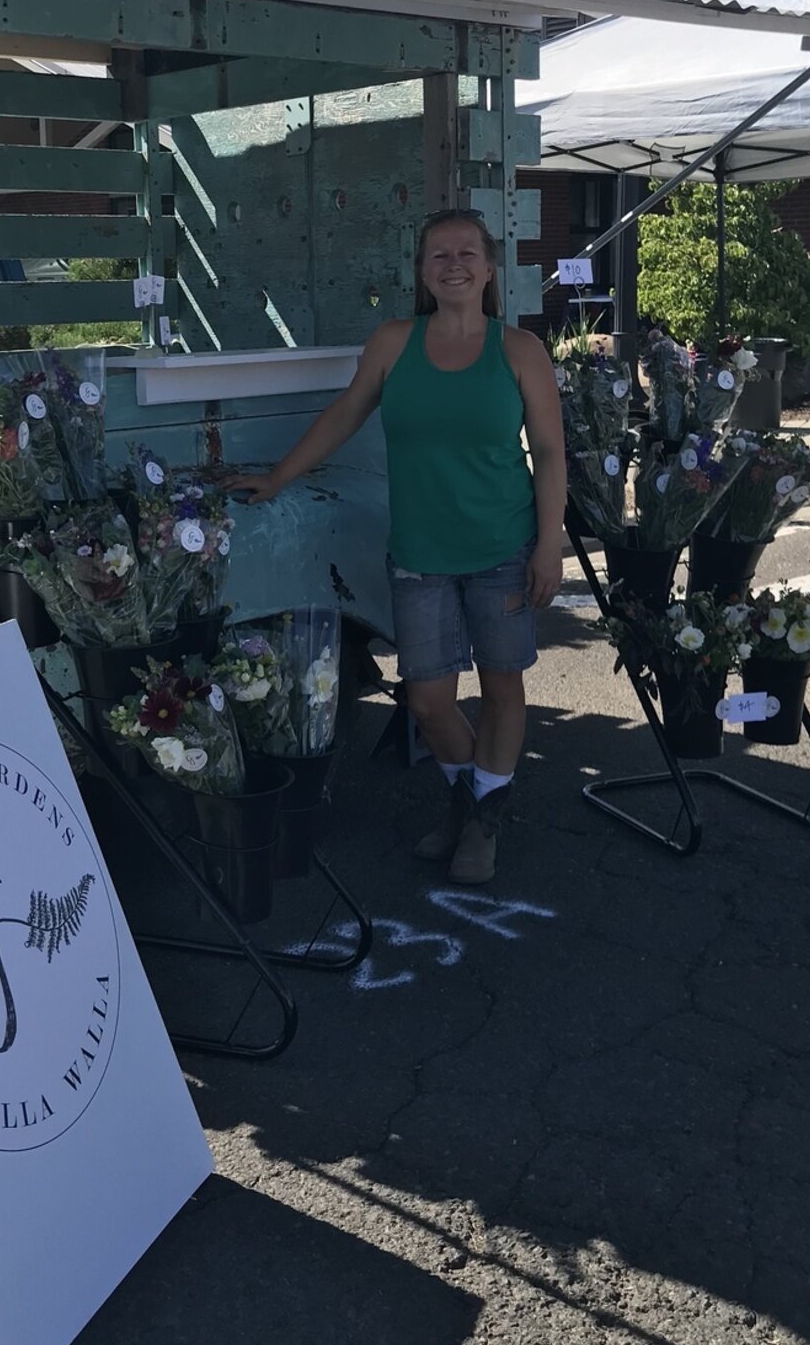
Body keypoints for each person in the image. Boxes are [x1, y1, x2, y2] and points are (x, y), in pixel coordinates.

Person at [232, 208, 565, 884]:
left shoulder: (518, 349)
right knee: (428, 701)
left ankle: (479, 824)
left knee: (502, 689)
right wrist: (277, 477)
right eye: (438, 255)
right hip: (419, 553)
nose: (453, 265)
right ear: (420, 272)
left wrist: (549, 545)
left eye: (466, 253)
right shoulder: (392, 343)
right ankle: (471, 804)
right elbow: (343, 415)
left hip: (502, 545)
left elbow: (553, 453)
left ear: (488, 266)